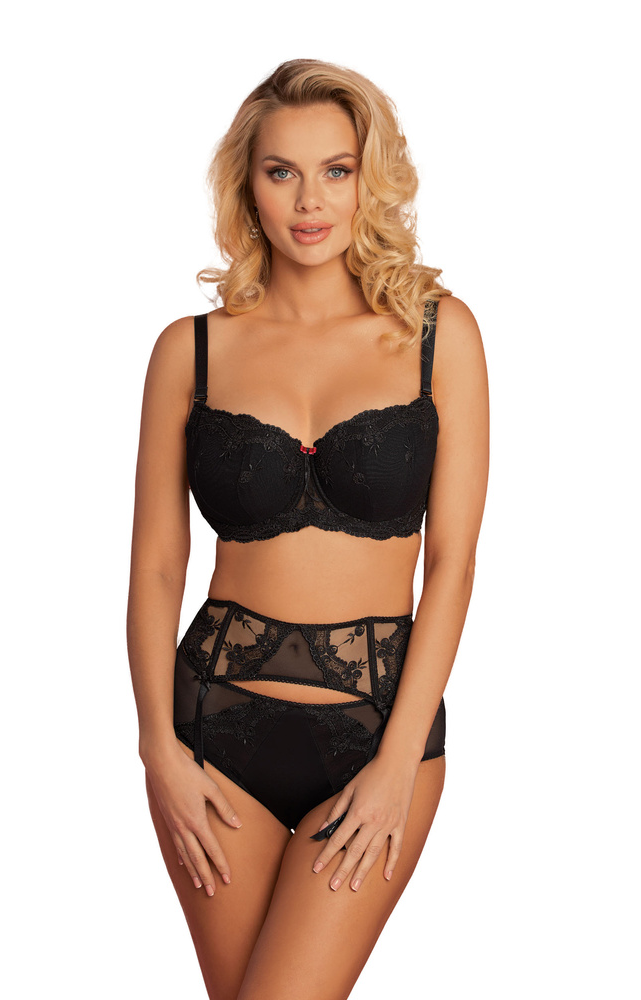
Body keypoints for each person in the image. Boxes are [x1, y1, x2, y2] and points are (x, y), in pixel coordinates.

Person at [127, 57, 489, 1000]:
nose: (308, 199)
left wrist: (400, 761)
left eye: (336, 169)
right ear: (246, 184)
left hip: (379, 729)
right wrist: (157, 747)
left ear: (370, 179)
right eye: (280, 171)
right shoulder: (190, 350)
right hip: (212, 725)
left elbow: (452, 563)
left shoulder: (437, 335)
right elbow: (157, 565)